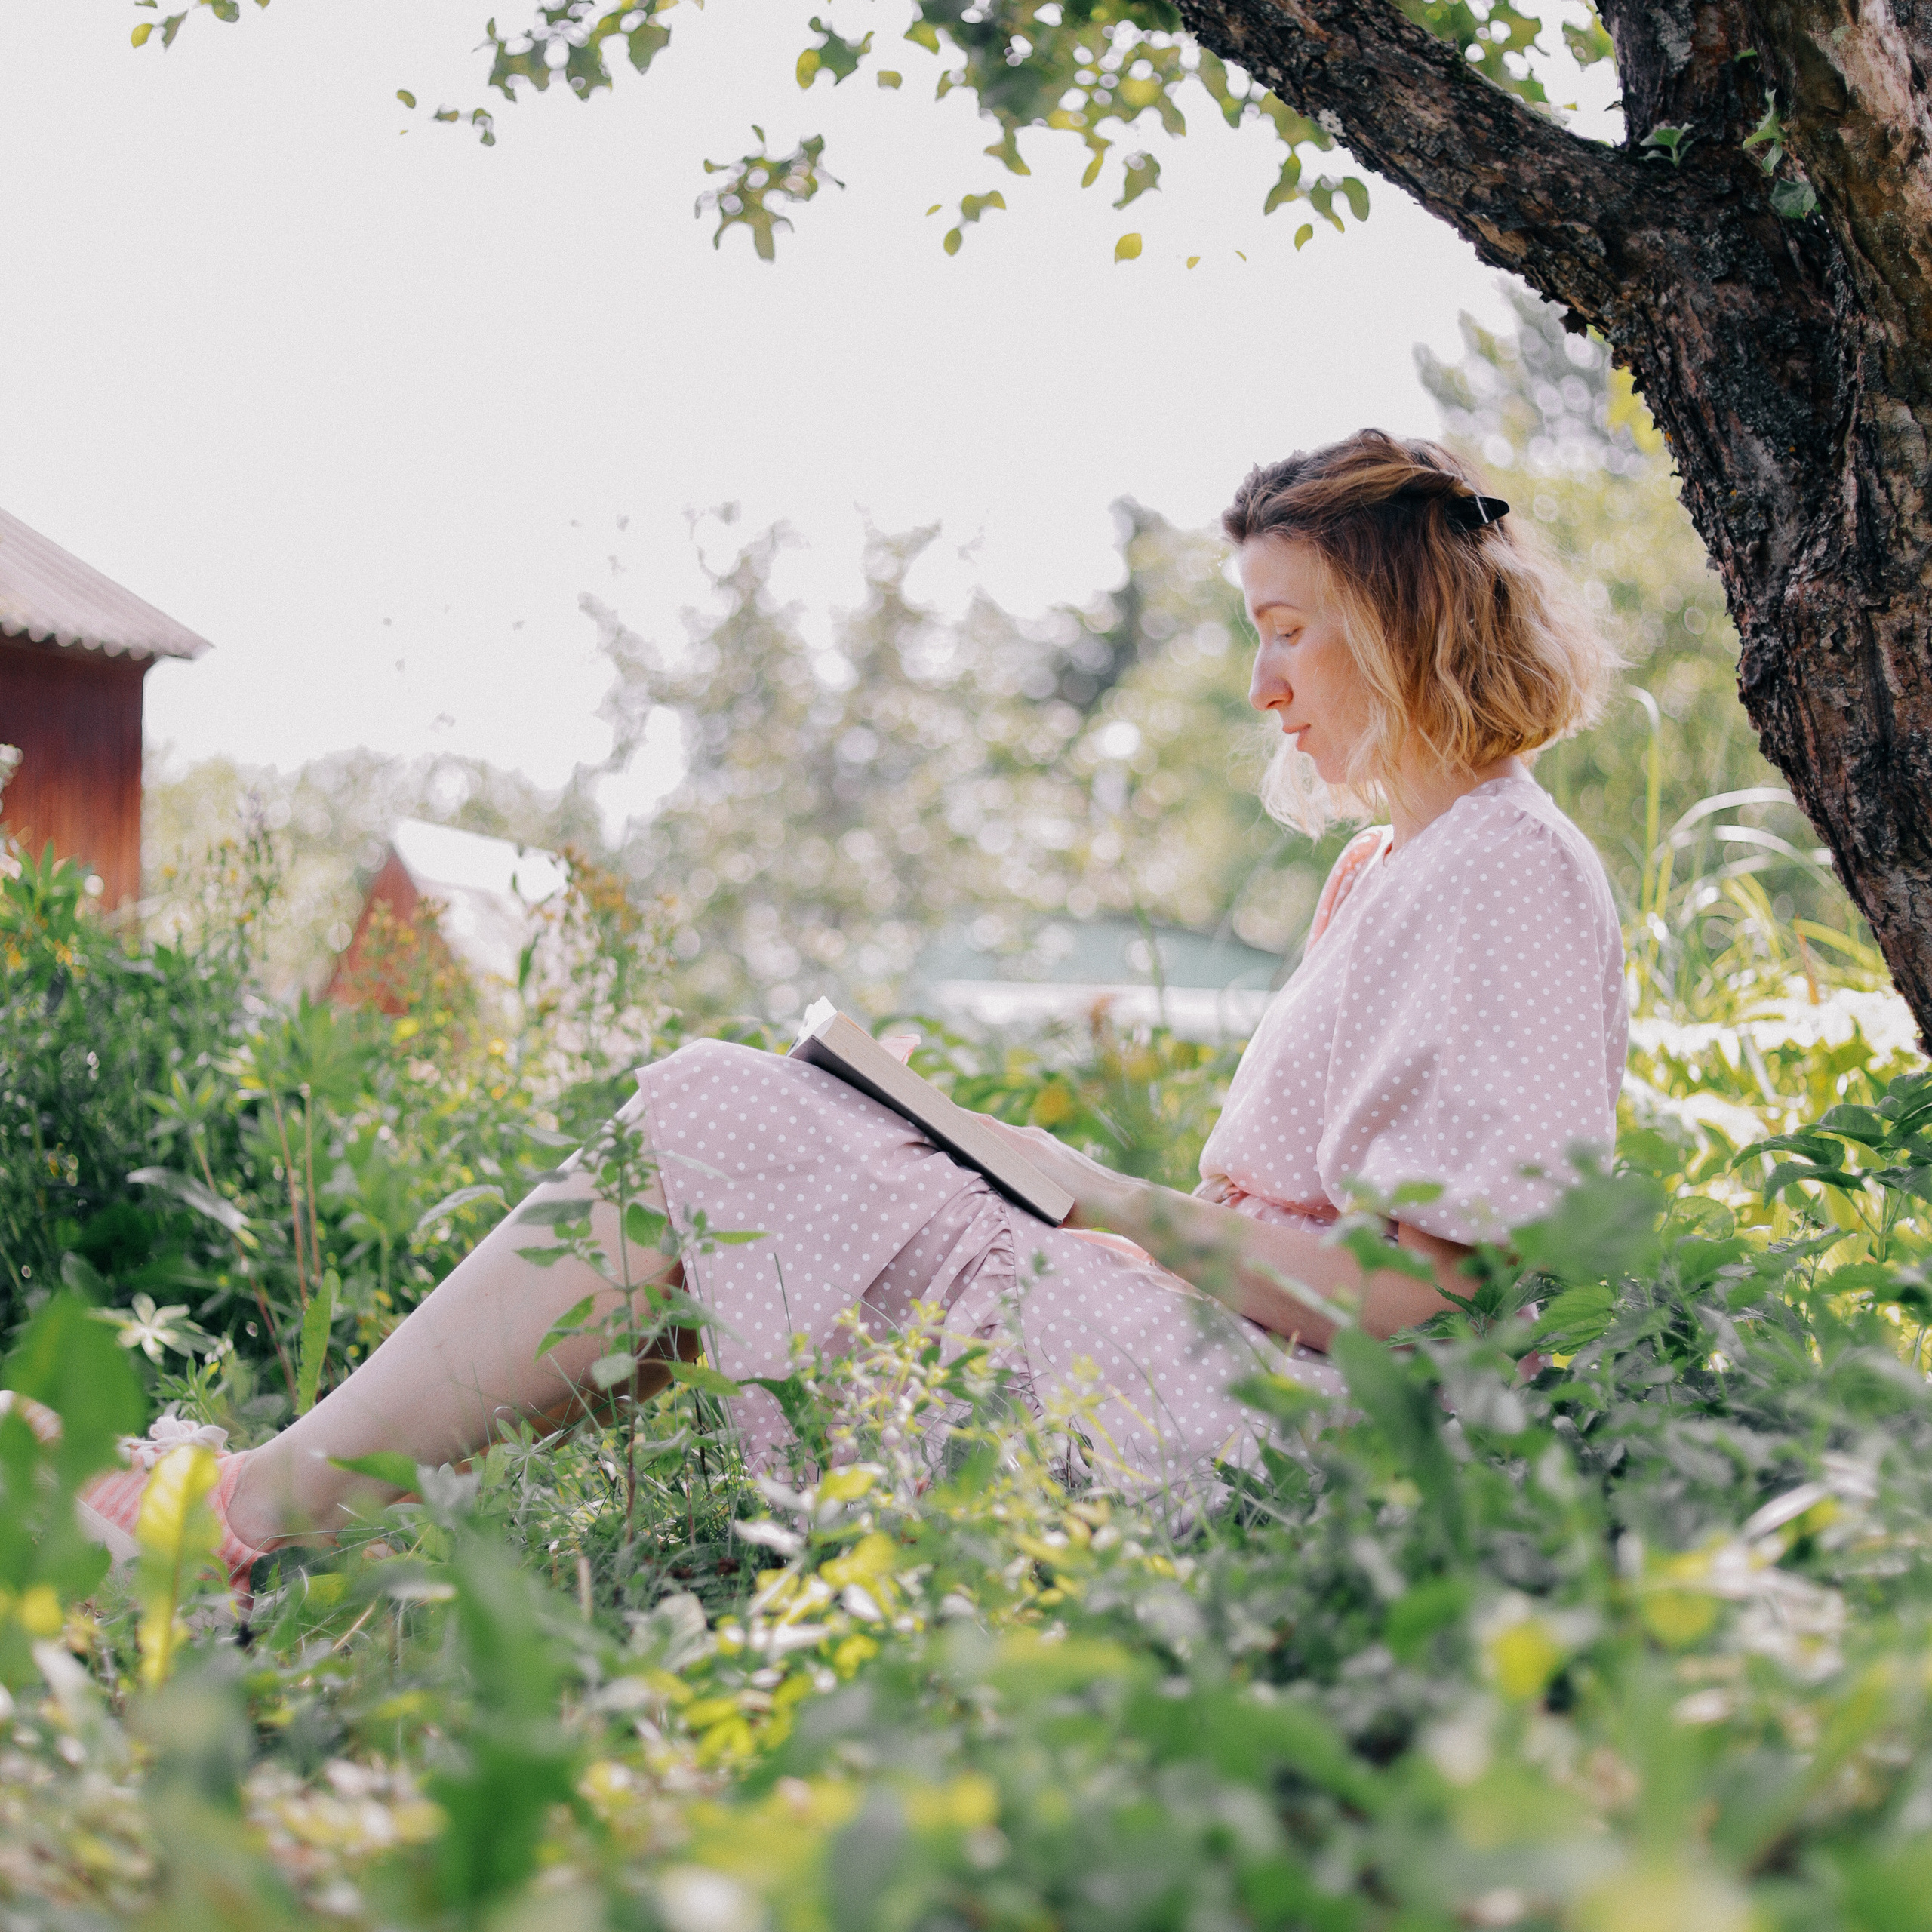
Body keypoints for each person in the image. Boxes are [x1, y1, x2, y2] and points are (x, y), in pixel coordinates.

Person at [78, 429, 1629, 1585]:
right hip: (1210, 1361)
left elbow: (1426, 1300)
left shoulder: (1506, 870)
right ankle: (271, 1520)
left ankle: (252, 1515)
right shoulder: (1390, 865)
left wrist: (1108, 1200)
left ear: (1401, 615)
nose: (1262, 684)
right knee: (736, 1139)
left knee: (712, 1109)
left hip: (1303, 1443)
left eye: (1284, 627)